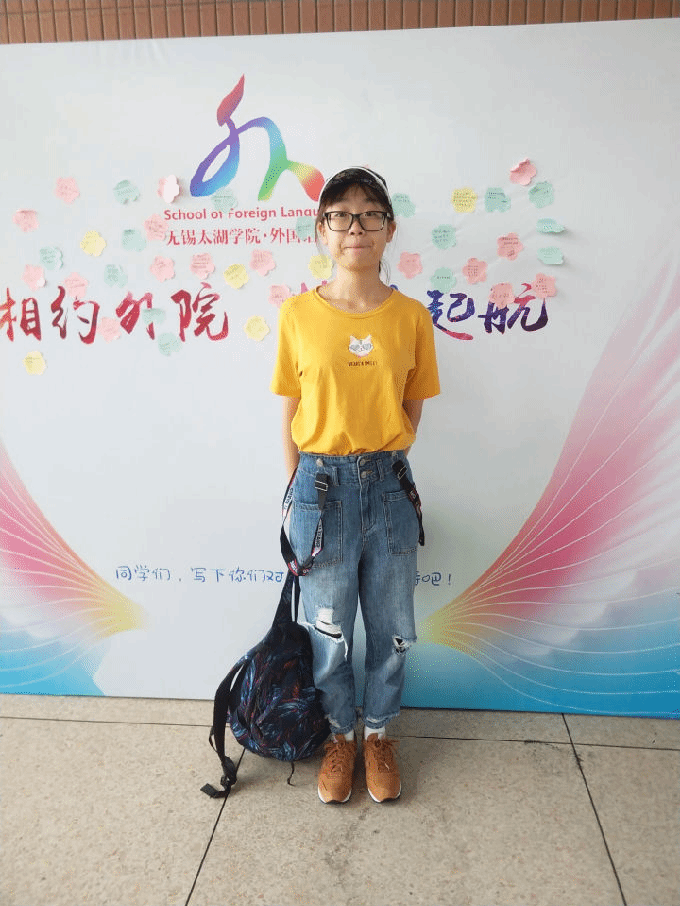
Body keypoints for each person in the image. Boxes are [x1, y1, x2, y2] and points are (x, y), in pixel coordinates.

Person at [270, 166, 440, 803]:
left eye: (370, 214)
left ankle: (379, 735)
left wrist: (382, 461)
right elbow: (289, 409)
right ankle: (339, 736)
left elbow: (412, 408)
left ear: (389, 229)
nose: (355, 227)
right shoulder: (297, 314)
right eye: (340, 215)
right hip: (319, 487)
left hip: (389, 486)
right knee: (329, 629)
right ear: (322, 231)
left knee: (393, 627)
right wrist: (298, 489)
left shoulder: (411, 317)